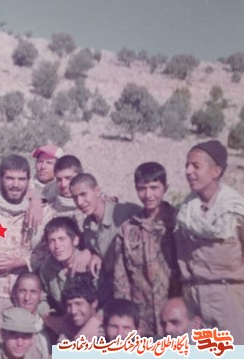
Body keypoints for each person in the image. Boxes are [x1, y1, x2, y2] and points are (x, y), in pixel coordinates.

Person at [175, 140, 244, 343]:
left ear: (216, 171)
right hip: (193, 301)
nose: (188, 171)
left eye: (196, 166)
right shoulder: (185, 212)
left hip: (229, 300)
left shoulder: (235, 212)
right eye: (187, 166)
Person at [114, 162, 181, 337]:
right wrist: (126, 319)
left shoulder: (179, 223)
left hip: (176, 318)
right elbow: (121, 280)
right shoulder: (128, 229)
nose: (148, 195)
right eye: (142, 189)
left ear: (165, 187)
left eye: (154, 187)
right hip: (142, 321)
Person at [69, 173, 139, 307]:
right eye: (75, 198)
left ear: (97, 191)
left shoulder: (124, 213)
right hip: (114, 288)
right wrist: (93, 252)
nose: (80, 202)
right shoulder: (88, 224)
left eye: (83, 194)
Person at [0, 155, 34, 310]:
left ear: (29, 181)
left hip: (26, 298)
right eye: (10, 178)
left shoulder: (40, 212)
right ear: (0, 179)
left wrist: (22, 262)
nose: (16, 185)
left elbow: (47, 252)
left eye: (21, 179)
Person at [39, 217, 84, 314]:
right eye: (52, 241)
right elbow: (42, 298)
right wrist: (50, 318)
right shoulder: (47, 268)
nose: (57, 246)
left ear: (75, 240)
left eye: (62, 239)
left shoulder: (88, 264)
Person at [58, 273, 105, 342]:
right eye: (69, 305)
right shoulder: (69, 325)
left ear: (94, 303)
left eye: (78, 304)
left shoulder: (107, 329)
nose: (73, 311)